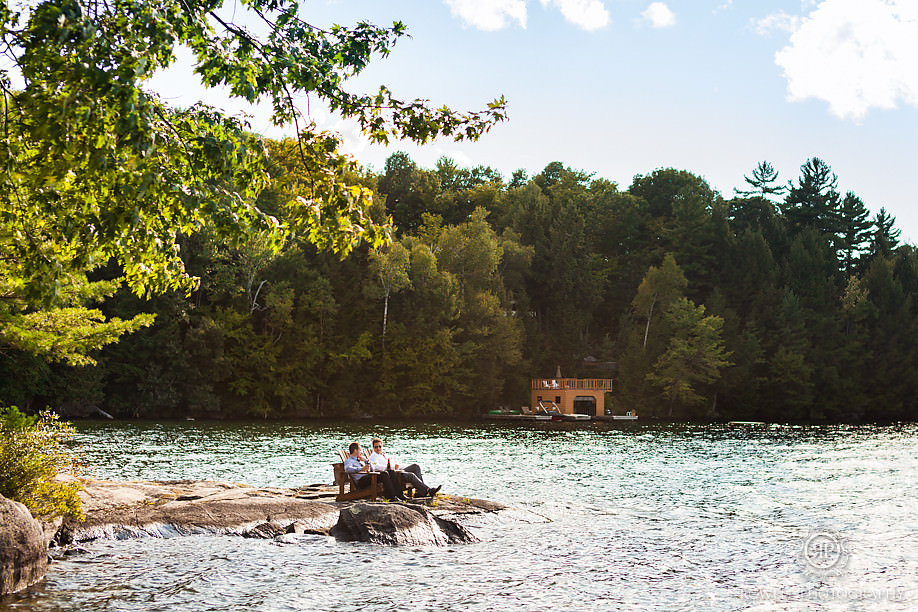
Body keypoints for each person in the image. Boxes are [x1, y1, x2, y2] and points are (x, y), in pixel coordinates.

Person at [367, 437, 442, 498]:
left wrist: (400, 466)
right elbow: (375, 467)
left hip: (397, 470)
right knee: (411, 475)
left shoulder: (384, 455)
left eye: (379, 446)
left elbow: (394, 464)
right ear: (373, 448)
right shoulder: (373, 456)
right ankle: (428, 490)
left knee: (415, 467)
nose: (378, 448)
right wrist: (388, 467)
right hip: (393, 475)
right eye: (376, 447)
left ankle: (420, 492)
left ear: (382, 446)